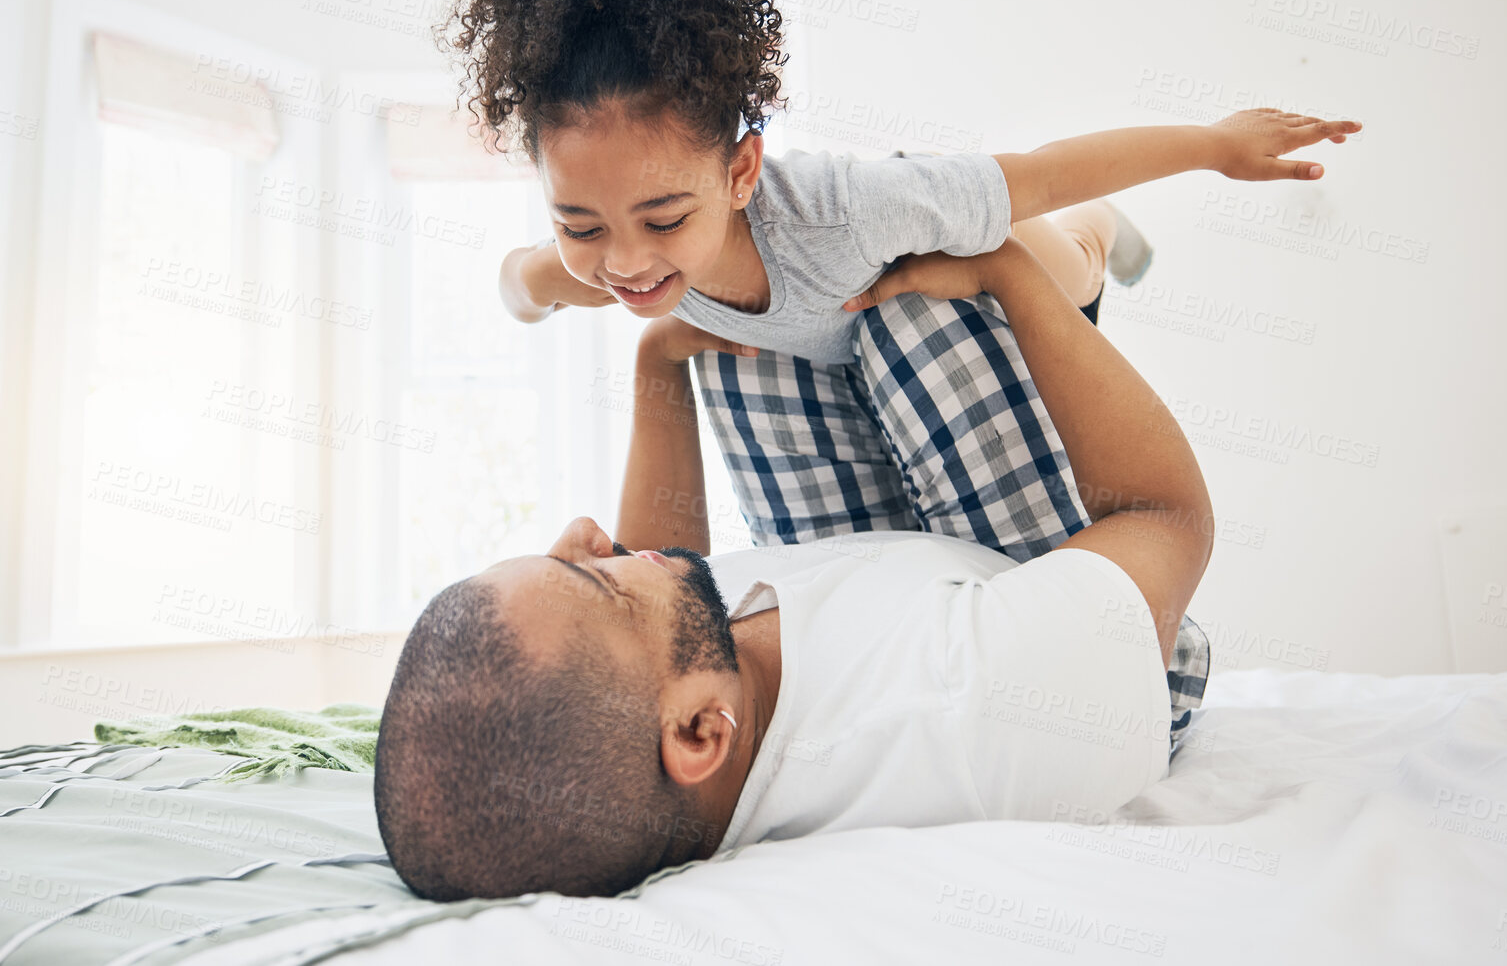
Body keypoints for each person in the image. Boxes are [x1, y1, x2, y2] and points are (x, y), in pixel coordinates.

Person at [450, 0, 1359, 552]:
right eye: (580, 224)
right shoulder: (617, 268)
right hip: (845, 346)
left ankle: (1109, 232)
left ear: (740, 173)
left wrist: (1215, 145)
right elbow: (517, 283)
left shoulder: (856, 214)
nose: (625, 259)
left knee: (1063, 247)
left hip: (970, 256)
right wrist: (545, 279)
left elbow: (1042, 170)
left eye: (660, 220)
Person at [373, 228, 1215, 903]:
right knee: (917, 310)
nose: (590, 532)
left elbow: (647, 591)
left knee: (744, 336)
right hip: (1097, 632)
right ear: (701, 731)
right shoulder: (972, 701)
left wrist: (656, 360)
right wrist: (1009, 270)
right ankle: (1095, 241)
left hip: (908, 582)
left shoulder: (684, 711)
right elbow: (1165, 517)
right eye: (591, 576)